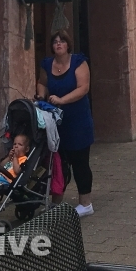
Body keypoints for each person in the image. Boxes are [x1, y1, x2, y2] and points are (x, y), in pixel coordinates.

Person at [37, 31, 95, 217]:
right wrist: (41, 96)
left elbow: (83, 88)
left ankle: (85, 203)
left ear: (68, 45)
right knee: (58, 163)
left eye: (62, 41)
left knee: (80, 161)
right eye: (55, 42)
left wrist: (62, 100)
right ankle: (56, 201)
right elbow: (42, 83)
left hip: (77, 120)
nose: (58, 44)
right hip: (56, 122)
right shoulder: (47, 64)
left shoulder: (78, 62)